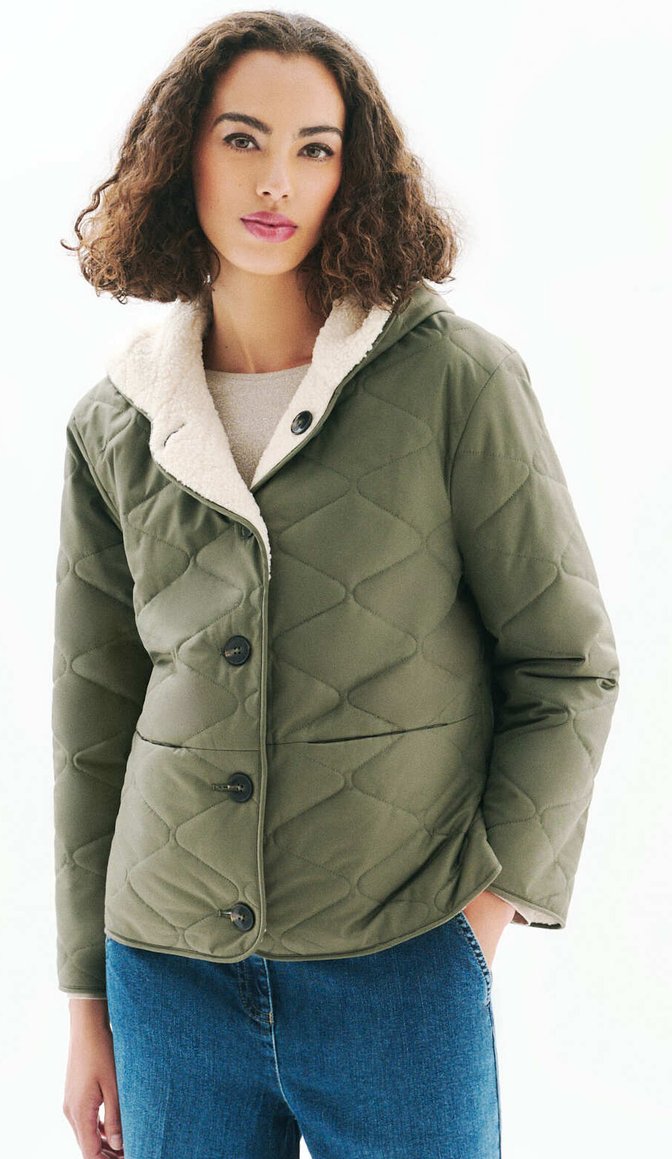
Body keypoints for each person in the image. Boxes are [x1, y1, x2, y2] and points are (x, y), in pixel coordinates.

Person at [52, 11, 620, 1159]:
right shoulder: (116, 421)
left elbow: (566, 664)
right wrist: (85, 1000)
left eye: (314, 148)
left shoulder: (452, 380)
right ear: (181, 154)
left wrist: (477, 919)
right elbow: (94, 717)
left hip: (400, 961)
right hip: (166, 976)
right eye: (242, 138)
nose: (276, 179)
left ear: (349, 175)